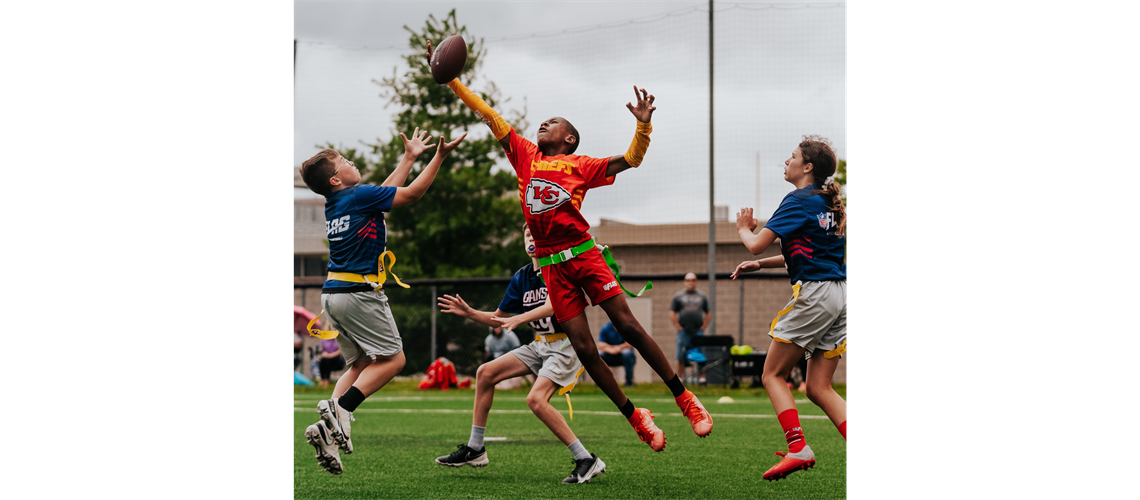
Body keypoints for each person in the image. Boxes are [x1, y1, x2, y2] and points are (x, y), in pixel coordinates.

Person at [426, 40, 713, 452]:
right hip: (551, 265)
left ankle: (685, 398)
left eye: (552, 122)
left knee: (629, 326)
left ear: (570, 138)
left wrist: (643, 125)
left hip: (583, 253)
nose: (542, 124)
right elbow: (486, 112)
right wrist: (451, 79)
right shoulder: (524, 155)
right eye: (542, 121)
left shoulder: (581, 166)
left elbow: (631, 159)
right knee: (583, 346)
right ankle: (636, 417)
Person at [298, 127, 467, 475]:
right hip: (358, 293)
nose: (351, 161)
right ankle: (341, 410)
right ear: (334, 179)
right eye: (343, 161)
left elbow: (384, 194)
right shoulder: (357, 196)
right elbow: (412, 194)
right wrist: (439, 157)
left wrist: (408, 158)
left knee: (359, 365)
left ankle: (329, 425)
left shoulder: (340, 202)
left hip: (333, 296)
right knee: (394, 360)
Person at [435, 222, 606, 484]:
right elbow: (498, 319)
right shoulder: (522, 277)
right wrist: (470, 313)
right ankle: (475, 449)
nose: (530, 236)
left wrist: (520, 318)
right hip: (542, 343)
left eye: (535, 233)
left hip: (566, 345)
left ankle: (586, 459)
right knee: (485, 373)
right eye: (526, 233)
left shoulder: (558, 269)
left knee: (536, 400)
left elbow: (552, 306)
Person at [730, 135, 848, 481]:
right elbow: (805, 252)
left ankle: (798, 447)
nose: (787, 161)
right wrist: (761, 265)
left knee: (772, 375)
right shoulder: (825, 201)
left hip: (815, 295)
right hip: (840, 295)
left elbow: (753, 244)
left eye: (792, 157)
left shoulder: (796, 200)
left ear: (807, 167)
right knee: (818, 388)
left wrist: (742, 229)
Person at [670, 273, 711, 383]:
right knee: (680, 355)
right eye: (688, 280)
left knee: (702, 354)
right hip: (684, 331)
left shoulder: (702, 296)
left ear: (696, 281)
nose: (690, 282)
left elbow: (708, 312)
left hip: (698, 331)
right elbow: (672, 312)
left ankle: (702, 378)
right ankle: (679, 378)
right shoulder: (678, 296)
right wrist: (677, 326)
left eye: (693, 280)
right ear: (685, 281)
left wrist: (705, 325)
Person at [597, 322, 636, 387]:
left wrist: (619, 348)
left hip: (622, 356)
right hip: (609, 355)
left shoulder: (626, 327)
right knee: (599, 354)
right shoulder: (605, 328)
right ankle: (601, 383)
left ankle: (629, 383)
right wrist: (611, 350)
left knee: (626, 353)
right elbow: (600, 345)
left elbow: (630, 344)